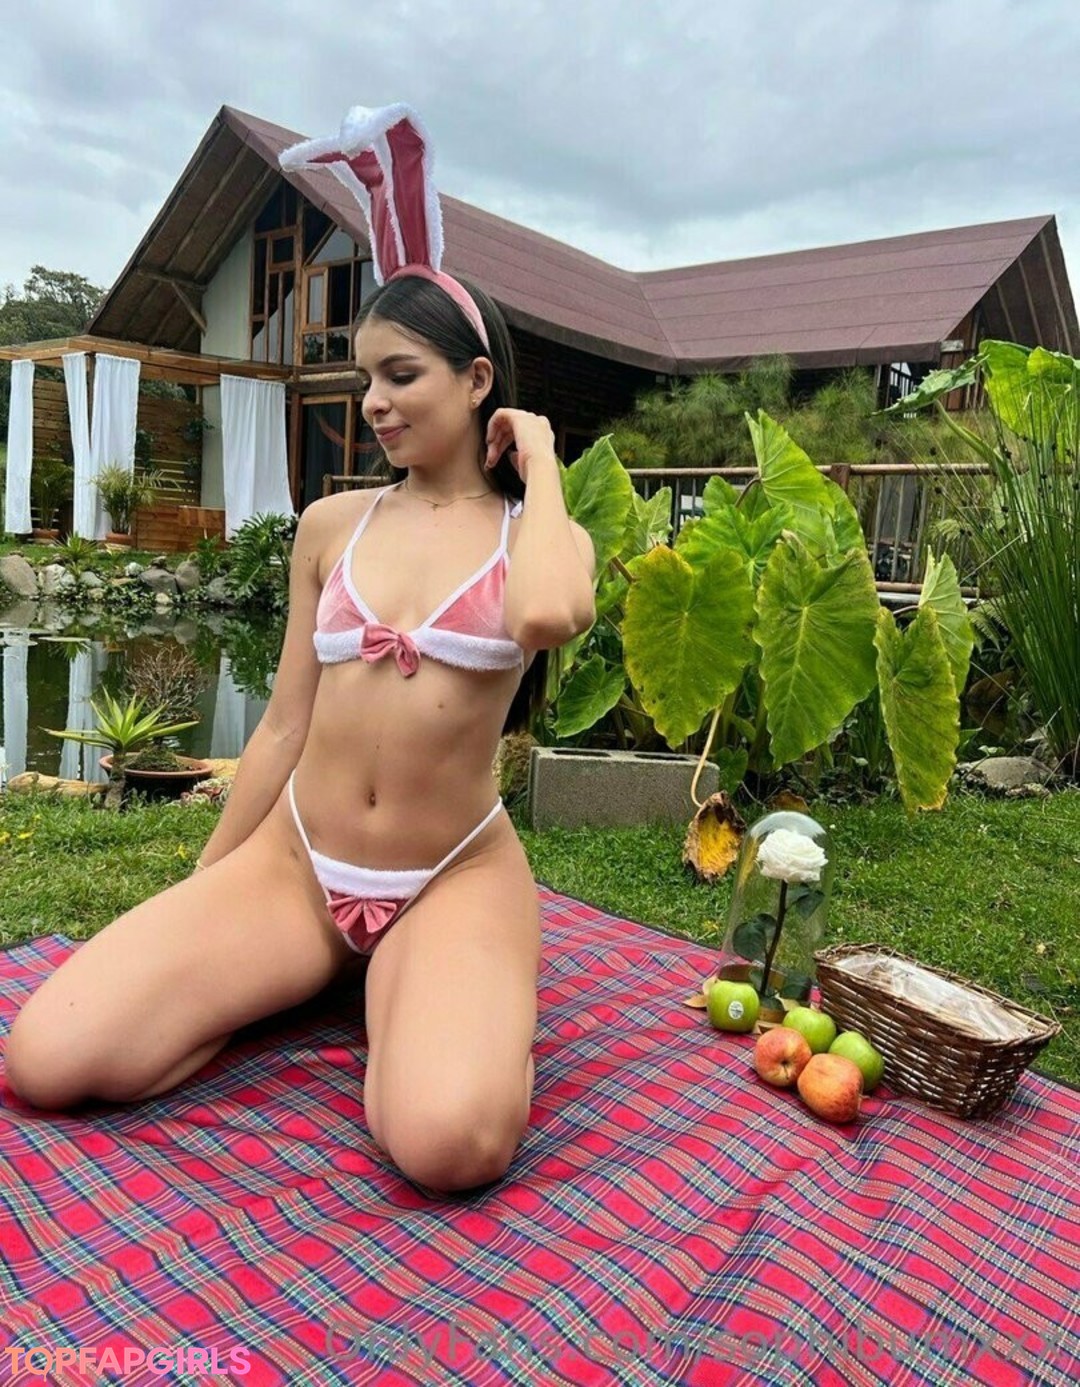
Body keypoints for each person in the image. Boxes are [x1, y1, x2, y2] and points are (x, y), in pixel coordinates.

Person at [3, 105, 597, 1196]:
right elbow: (281, 725)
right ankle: (317, 977)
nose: (374, 404)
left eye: (402, 376)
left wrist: (546, 458)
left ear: (478, 382)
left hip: (450, 873)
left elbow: (553, 616)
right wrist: (204, 890)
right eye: (366, 377)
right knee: (47, 1057)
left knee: (447, 1146)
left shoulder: (532, 539)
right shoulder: (333, 526)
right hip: (298, 863)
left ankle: (419, 1001)